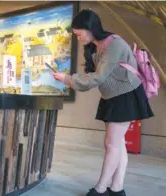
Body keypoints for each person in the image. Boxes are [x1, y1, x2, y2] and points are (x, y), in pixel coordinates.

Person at [52, 9, 154, 196]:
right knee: (117, 144)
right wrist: (67, 79)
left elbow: (98, 78)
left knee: (111, 144)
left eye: (78, 34)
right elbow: (93, 79)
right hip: (112, 96)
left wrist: (67, 79)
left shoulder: (114, 44)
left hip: (126, 95)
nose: (78, 38)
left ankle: (100, 189)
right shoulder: (95, 47)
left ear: (89, 28)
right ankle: (117, 188)